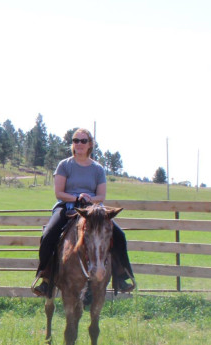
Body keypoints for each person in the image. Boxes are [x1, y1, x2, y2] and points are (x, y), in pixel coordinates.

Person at [32, 127, 135, 297]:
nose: (79, 144)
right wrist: (77, 197)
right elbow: (59, 193)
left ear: (90, 144)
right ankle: (46, 277)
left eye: (83, 141)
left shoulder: (98, 169)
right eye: (75, 140)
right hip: (67, 207)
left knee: (119, 235)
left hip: (94, 210)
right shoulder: (64, 165)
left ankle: (122, 275)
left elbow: (101, 195)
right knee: (49, 233)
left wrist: (89, 200)